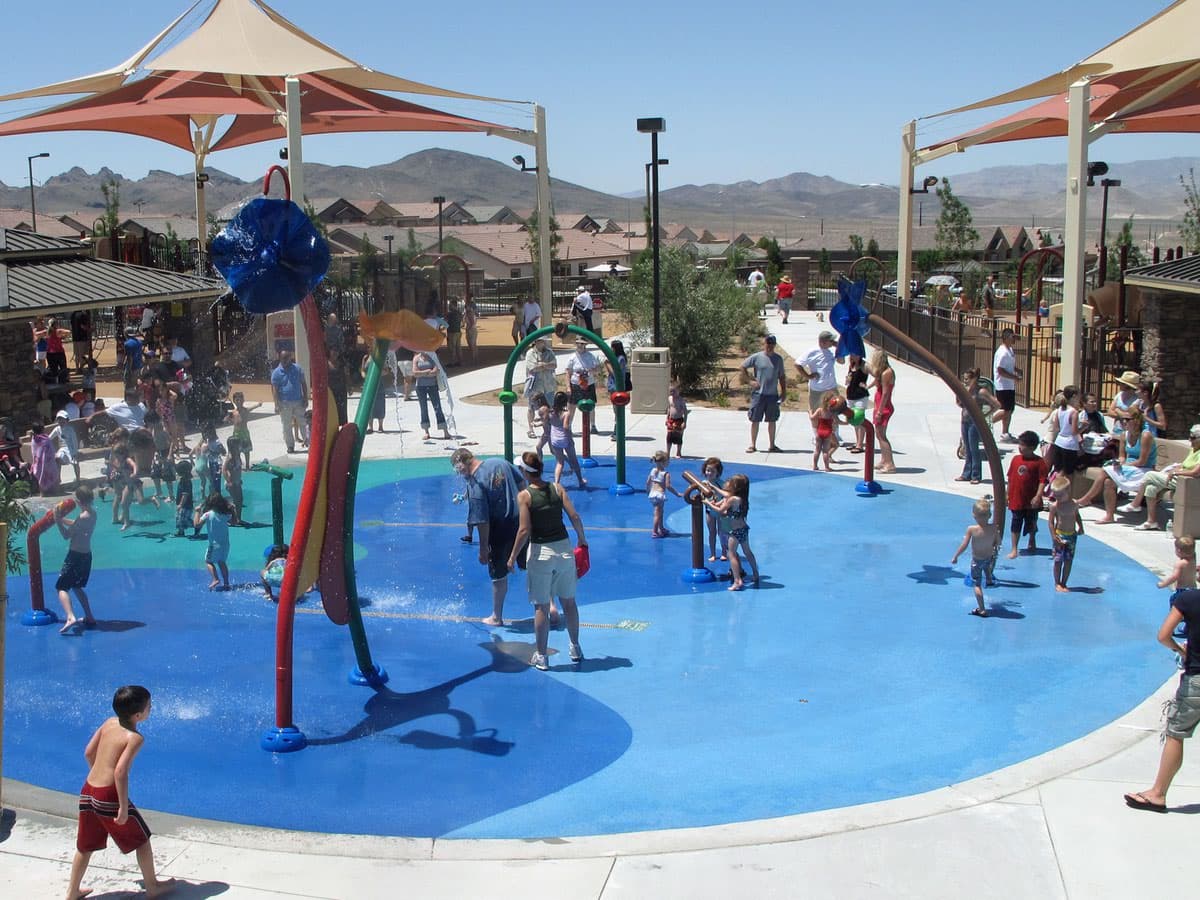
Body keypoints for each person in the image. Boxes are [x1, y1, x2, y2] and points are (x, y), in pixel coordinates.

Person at [66, 685, 175, 900]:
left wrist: (97, 776)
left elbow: (89, 752)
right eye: (149, 707)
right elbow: (120, 772)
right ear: (138, 715)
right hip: (108, 796)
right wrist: (123, 807)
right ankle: (153, 887)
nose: (150, 709)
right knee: (142, 839)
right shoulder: (134, 738)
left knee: (84, 845)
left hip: (88, 790)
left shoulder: (108, 722)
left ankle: (72, 892)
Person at [507, 451, 589, 670]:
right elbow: (575, 517)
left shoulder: (524, 496)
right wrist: (582, 540)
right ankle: (575, 646)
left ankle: (542, 656)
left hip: (541, 552)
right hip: (563, 549)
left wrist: (513, 556)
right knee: (569, 602)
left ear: (524, 472)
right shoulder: (557, 488)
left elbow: (524, 530)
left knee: (541, 607)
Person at [1122, 585, 1200, 814]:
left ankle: (1157, 794)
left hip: (1197, 680)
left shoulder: (1190, 598)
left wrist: (1182, 651)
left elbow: (1163, 636)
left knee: (1176, 733)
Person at [453, 448, 527, 627]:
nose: (458, 473)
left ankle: (496, 616)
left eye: (457, 468)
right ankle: (551, 607)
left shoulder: (475, 484)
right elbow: (522, 483)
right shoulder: (499, 462)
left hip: (500, 530)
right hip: (522, 524)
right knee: (534, 566)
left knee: (499, 576)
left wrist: (483, 548)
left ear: (462, 463)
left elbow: (482, 521)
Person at [1076, 405, 1157, 525]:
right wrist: (1119, 462)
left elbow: (1142, 461)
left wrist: (1124, 465)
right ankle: (1109, 516)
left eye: (1128, 419)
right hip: (1130, 468)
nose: (1124, 422)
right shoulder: (1124, 435)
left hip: (1144, 470)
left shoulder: (1145, 436)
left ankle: (1085, 499)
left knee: (1105, 471)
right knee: (1108, 482)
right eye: (1123, 419)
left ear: (1136, 420)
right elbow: (1122, 456)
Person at [1122, 423, 1200, 529]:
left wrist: (1176, 472)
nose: (1190, 440)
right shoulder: (1193, 450)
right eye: (1189, 437)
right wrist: (1175, 468)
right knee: (1151, 488)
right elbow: (1185, 465)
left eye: (1193, 437)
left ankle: (1136, 503)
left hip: (1187, 482)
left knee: (1149, 475)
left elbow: (1195, 472)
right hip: (1176, 478)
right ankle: (1151, 521)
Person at [704, 473, 759, 591]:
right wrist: (713, 487)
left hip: (735, 531)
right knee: (747, 552)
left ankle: (737, 580)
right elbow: (725, 494)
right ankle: (755, 574)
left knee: (731, 554)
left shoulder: (732, 499)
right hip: (744, 529)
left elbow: (720, 510)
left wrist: (708, 503)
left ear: (736, 487)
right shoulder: (741, 498)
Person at [54, 485, 97, 634]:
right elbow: (77, 524)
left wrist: (58, 521)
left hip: (75, 556)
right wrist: (62, 518)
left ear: (79, 501)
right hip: (86, 556)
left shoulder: (83, 517)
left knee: (61, 587)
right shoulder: (92, 514)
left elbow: (66, 535)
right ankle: (89, 617)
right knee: (77, 586)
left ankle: (70, 616)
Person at [951, 496, 999, 617]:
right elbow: (998, 542)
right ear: (989, 515)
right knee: (987, 566)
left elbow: (964, 545)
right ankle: (988, 579)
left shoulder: (971, 529)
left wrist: (956, 556)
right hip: (988, 557)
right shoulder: (994, 528)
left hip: (977, 560)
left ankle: (982, 609)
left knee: (976, 585)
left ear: (974, 515)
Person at [956, 368, 1001, 485]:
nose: (965, 381)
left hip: (974, 422)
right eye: (964, 379)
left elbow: (996, 404)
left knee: (974, 449)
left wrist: (985, 414)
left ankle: (976, 475)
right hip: (964, 420)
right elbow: (959, 404)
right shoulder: (965, 390)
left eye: (967, 379)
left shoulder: (981, 392)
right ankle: (966, 474)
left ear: (974, 379)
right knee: (967, 448)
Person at [1006, 431, 1048, 558]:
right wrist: (1007, 494)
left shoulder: (1039, 462)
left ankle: (1032, 538)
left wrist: (1038, 496)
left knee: (1031, 521)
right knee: (1016, 522)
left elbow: (1042, 481)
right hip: (1017, 498)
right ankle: (1014, 548)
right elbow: (1010, 478)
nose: (1019, 447)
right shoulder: (1015, 459)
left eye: (1022, 445)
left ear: (1031, 448)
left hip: (1031, 500)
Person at [743, 334, 786, 453]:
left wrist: (783, 392)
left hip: (772, 394)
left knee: (772, 420)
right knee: (755, 419)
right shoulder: (757, 357)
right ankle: (753, 445)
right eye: (768, 343)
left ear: (774, 345)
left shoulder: (778, 359)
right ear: (764, 344)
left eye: (772, 344)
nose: (769, 346)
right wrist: (750, 381)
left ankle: (772, 445)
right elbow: (743, 367)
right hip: (758, 394)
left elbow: (781, 376)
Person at [535, 391, 587, 487]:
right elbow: (566, 427)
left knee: (559, 463)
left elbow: (545, 422)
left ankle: (556, 483)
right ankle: (580, 480)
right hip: (564, 439)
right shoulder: (566, 413)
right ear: (564, 402)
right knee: (574, 461)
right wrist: (570, 438)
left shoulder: (550, 412)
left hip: (555, 439)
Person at [1048, 473, 1084, 592]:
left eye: (1060, 495)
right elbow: (1051, 522)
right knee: (1058, 560)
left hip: (1072, 536)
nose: (1057, 498)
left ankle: (1064, 583)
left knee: (1068, 560)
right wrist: (1054, 536)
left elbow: (1077, 515)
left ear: (1068, 491)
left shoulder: (1074, 503)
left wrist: (1081, 527)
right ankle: (1057, 583)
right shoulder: (1054, 506)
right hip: (1060, 535)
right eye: (1055, 495)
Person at [1159, 536, 1196, 643]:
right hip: (1193, 589)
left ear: (1179, 550)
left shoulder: (1179, 564)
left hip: (1182, 592)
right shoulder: (1193, 557)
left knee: (1176, 609)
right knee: (1190, 610)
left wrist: (1162, 584)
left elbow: (1174, 577)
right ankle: (1188, 628)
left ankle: (1170, 628)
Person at [270, 350, 308, 454]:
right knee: (286, 425)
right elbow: (274, 390)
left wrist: (305, 398)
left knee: (303, 423)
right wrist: (276, 404)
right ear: (280, 359)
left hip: (298, 401)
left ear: (290, 358)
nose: (286, 360)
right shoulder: (276, 372)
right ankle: (290, 446)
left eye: (287, 358)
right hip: (284, 403)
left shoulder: (297, 368)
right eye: (283, 358)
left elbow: (303, 384)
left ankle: (309, 443)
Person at [195, 493, 234, 590]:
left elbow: (197, 525)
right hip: (225, 544)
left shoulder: (207, 515)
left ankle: (215, 579)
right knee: (222, 562)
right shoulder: (225, 514)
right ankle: (226, 583)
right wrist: (233, 510)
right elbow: (235, 521)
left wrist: (197, 512)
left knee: (208, 561)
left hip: (214, 544)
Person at [413, 350, 452, 441]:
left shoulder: (432, 356)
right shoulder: (416, 358)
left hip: (432, 386)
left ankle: (445, 430)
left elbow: (436, 370)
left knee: (437, 407)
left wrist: (422, 373)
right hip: (420, 387)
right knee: (423, 408)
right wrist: (427, 372)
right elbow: (415, 373)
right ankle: (426, 431)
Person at [524, 335, 559, 439]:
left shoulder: (550, 352)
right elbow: (532, 367)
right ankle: (531, 429)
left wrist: (542, 365)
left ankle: (550, 428)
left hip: (548, 385)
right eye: (541, 341)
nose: (543, 343)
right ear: (537, 342)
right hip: (535, 386)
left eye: (544, 341)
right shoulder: (530, 353)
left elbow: (554, 365)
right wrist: (545, 366)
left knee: (550, 407)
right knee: (531, 408)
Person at [868, 348, 897, 473]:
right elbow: (876, 381)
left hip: (883, 407)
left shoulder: (887, 373)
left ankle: (890, 464)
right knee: (878, 434)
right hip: (879, 406)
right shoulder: (882, 372)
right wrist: (866, 387)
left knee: (881, 435)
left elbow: (885, 394)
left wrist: (879, 412)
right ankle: (884, 460)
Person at [565, 337, 601, 433]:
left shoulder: (591, 356)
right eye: (578, 343)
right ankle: (569, 426)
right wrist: (568, 387)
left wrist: (592, 371)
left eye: (582, 344)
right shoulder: (572, 357)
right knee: (572, 406)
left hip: (589, 384)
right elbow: (568, 372)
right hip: (576, 384)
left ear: (585, 345)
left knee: (591, 405)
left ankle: (592, 425)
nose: (580, 345)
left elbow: (598, 369)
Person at [991, 328, 1021, 442]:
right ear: (1007, 338)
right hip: (1002, 386)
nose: (1014, 339)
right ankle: (984, 424)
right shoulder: (1003, 352)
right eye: (1012, 337)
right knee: (1006, 410)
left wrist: (1016, 370)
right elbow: (1000, 370)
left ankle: (1005, 433)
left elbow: (1008, 366)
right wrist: (1014, 377)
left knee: (1010, 410)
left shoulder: (1010, 350)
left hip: (1009, 385)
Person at [646, 449, 682, 538]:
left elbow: (648, 482)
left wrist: (648, 491)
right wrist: (677, 493)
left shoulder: (653, 470)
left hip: (652, 493)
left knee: (660, 512)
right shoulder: (666, 474)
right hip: (659, 494)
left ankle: (661, 528)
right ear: (663, 462)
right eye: (667, 461)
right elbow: (668, 486)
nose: (668, 463)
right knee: (657, 514)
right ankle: (655, 531)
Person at [1049, 385, 1082, 476]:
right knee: (1067, 474)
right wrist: (1084, 427)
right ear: (1074, 396)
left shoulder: (1060, 409)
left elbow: (1056, 427)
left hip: (1059, 442)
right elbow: (1074, 432)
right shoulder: (1074, 412)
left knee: (1058, 471)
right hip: (1069, 444)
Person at [811, 395, 849, 472]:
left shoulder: (819, 410)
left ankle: (815, 466)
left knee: (817, 450)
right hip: (828, 432)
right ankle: (826, 467)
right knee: (825, 451)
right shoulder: (832, 413)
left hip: (819, 432)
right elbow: (837, 421)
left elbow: (812, 418)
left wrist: (810, 413)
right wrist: (846, 422)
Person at [701, 457, 726, 563]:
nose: (709, 473)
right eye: (707, 470)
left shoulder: (721, 483)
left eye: (712, 471)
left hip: (720, 511)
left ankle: (724, 552)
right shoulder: (703, 483)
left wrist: (719, 504)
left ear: (718, 472)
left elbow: (726, 496)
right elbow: (701, 495)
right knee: (712, 532)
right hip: (709, 511)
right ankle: (712, 553)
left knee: (722, 532)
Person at [50, 410, 81, 489]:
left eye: (63, 419)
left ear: (67, 420)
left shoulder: (70, 429)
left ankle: (78, 479)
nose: (61, 421)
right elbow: (49, 438)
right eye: (59, 419)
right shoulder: (57, 429)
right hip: (62, 449)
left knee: (75, 462)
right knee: (57, 458)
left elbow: (74, 442)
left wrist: (75, 452)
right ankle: (58, 479)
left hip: (71, 449)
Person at [845, 354, 870, 453]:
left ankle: (860, 445)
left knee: (859, 419)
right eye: (851, 354)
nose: (852, 356)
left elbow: (877, 375)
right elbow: (848, 381)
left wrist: (867, 386)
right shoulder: (851, 365)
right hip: (851, 395)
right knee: (853, 420)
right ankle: (857, 442)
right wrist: (847, 379)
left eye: (854, 354)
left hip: (860, 396)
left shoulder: (864, 366)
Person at [360, 351, 388, 434]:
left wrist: (378, 373)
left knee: (380, 404)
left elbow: (386, 371)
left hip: (379, 383)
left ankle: (380, 426)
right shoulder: (365, 357)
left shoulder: (381, 356)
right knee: (369, 404)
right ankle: (370, 427)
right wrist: (364, 375)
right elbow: (362, 370)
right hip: (368, 384)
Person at [1108, 370, 1141, 439]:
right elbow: (1110, 412)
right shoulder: (1119, 395)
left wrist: (1117, 410)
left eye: (1122, 383)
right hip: (1117, 430)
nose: (1119, 384)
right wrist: (1122, 414)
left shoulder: (1137, 399)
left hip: (1129, 432)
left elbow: (1129, 416)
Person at [30, 421, 60, 495]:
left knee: (40, 477)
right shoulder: (46, 440)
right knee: (53, 474)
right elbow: (51, 450)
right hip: (48, 463)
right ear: (43, 429)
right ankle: (55, 491)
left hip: (38, 464)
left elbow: (34, 452)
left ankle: (42, 493)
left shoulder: (33, 439)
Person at [223, 437, 244, 526]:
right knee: (236, 501)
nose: (240, 446)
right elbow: (224, 470)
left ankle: (238, 518)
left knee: (240, 500)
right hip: (231, 483)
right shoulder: (230, 458)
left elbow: (238, 469)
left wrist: (239, 479)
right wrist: (229, 481)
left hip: (237, 481)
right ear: (233, 446)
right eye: (238, 445)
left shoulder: (237, 456)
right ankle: (231, 519)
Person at [665, 384, 688, 458]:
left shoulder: (681, 400)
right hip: (671, 420)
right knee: (669, 437)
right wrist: (667, 418)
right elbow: (669, 408)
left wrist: (684, 422)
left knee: (679, 437)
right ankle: (668, 453)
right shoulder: (669, 398)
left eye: (674, 391)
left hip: (679, 420)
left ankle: (678, 452)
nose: (672, 393)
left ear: (678, 391)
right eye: (670, 391)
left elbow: (685, 411)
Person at [174, 459, 194, 538]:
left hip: (186, 505)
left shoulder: (185, 481)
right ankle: (180, 532)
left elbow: (185, 495)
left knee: (184, 519)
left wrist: (180, 504)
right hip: (184, 505)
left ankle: (197, 524)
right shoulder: (184, 480)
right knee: (180, 518)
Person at [445, 298, 464, 366]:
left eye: (450, 305)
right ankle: (460, 361)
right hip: (458, 331)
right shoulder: (459, 313)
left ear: (453, 305)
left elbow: (446, 323)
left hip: (451, 332)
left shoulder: (450, 314)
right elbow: (462, 323)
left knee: (452, 348)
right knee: (458, 347)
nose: (449, 306)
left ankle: (452, 362)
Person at [464, 296, 480, 364]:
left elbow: (471, 323)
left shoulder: (470, 313)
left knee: (472, 345)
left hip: (471, 330)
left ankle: (474, 359)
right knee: (472, 345)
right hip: (471, 329)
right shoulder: (467, 313)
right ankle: (475, 358)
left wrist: (468, 329)